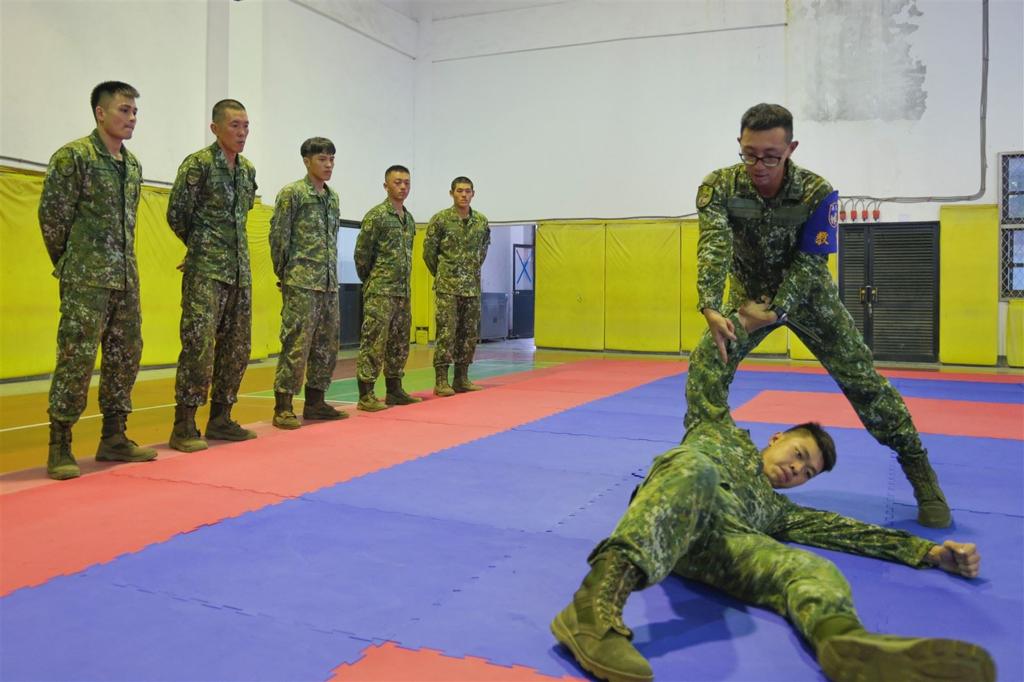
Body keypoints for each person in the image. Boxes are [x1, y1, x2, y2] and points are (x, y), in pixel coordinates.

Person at [551, 400, 994, 682]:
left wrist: (929, 552)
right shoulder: (717, 429)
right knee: (696, 468)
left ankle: (845, 644)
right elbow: (713, 364)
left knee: (810, 566)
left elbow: (843, 531)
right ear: (777, 437)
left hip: (722, 547)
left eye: (807, 473)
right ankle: (590, 609)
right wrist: (739, 322)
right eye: (798, 455)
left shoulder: (778, 510)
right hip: (673, 509)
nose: (797, 471)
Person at [687, 102, 951, 528]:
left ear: (790, 148)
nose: (759, 165)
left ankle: (920, 472)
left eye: (771, 156)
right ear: (740, 144)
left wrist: (775, 312)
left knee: (865, 383)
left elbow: (811, 264)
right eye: (750, 153)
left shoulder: (817, 191)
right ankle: (706, 462)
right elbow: (714, 247)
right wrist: (711, 306)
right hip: (749, 300)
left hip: (811, 300)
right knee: (706, 362)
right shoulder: (718, 186)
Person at [38, 81, 158, 480]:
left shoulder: (133, 165)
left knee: (126, 358)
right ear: (100, 113)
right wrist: (73, 263)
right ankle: (61, 443)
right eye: (124, 110)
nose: (131, 118)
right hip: (86, 279)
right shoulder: (74, 157)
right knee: (76, 358)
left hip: (125, 279)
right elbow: (52, 219)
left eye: (135, 112)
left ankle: (114, 437)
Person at [166, 99, 258, 451]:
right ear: (215, 128)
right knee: (199, 347)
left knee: (237, 348)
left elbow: (243, 214)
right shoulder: (199, 164)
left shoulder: (247, 170)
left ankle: (221, 417)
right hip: (206, 271)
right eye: (235, 125)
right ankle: (184, 423)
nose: (242, 132)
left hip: (239, 272)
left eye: (246, 126)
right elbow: (177, 213)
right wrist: (201, 247)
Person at [269, 137, 347, 428]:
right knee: (296, 344)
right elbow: (279, 237)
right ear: (306, 161)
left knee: (327, 345)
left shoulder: (332, 197)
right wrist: (286, 274)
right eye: (322, 159)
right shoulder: (293, 194)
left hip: (328, 284)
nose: (328, 165)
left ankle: (316, 402)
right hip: (301, 282)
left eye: (331, 160)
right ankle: (284, 406)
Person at [353, 165, 421, 411]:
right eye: (397, 182)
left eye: (406, 183)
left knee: (399, 343)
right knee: (374, 341)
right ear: (386, 186)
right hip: (380, 291)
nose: (403, 187)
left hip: (403, 292)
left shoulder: (409, 219)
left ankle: (394, 389)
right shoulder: (377, 216)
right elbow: (362, 255)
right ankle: (367, 393)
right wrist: (372, 280)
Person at [423, 176, 491, 396]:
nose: (464, 195)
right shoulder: (440, 220)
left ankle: (462, 378)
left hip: (471, 287)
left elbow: (482, 251)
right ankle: (441, 380)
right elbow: (429, 254)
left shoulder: (480, 221)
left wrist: (469, 273)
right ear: (451, 193)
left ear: (474, 194)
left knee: (468, 334)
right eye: (459, 191)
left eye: (468, 191)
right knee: (447, 333)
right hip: (447, 288)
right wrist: (444, 274)